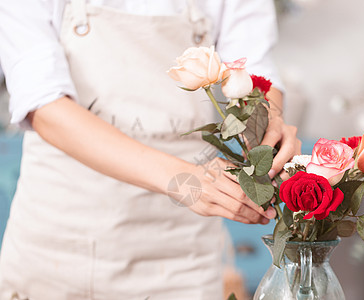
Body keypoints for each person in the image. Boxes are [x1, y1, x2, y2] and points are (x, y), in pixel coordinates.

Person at [0, 0, 301, 299]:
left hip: (185, 256)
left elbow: (251, 68)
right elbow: (44, 106)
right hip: (61, 250)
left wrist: (266, 120)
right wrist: (185, 179)